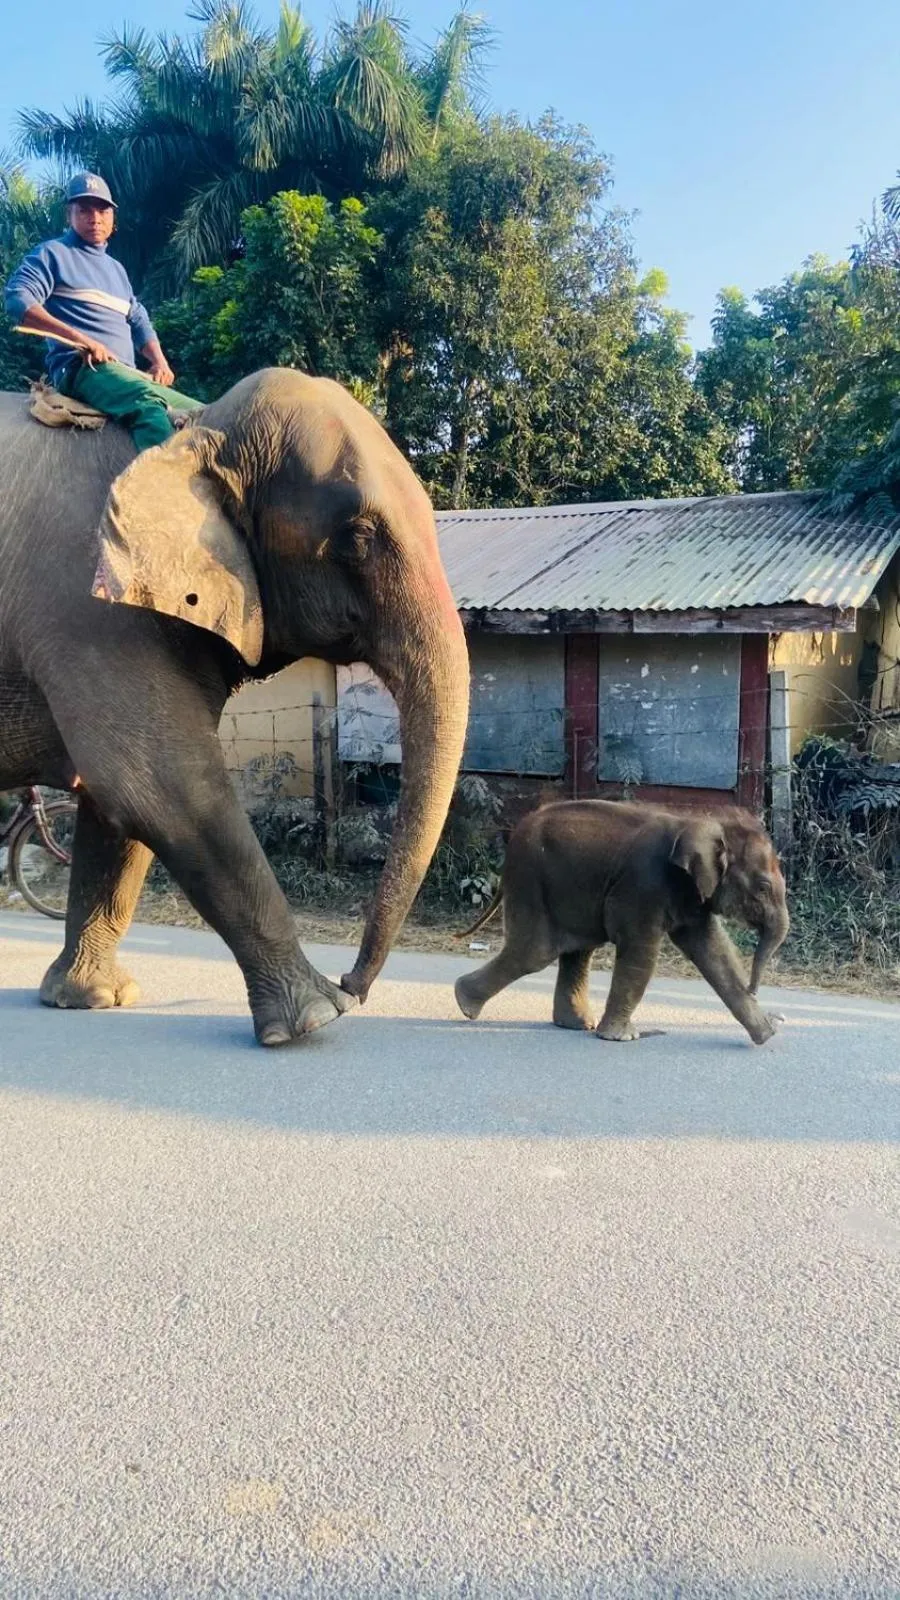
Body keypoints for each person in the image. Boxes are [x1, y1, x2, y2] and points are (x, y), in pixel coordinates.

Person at [4, 171, 201, 451]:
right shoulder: (52, 253)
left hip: (126, 375)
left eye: (102, 210)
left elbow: (138, 317)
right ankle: (159, 493)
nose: (94, 218)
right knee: (148, 406)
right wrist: (80, 339)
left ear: (113, 218)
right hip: (83, 369)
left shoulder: (116, 269)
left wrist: (160, 361)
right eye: (84, 210)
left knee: (206, 414)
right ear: (68, 215)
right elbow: (17, 299)